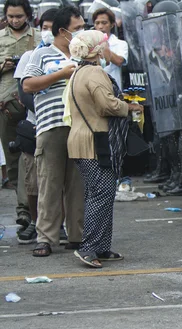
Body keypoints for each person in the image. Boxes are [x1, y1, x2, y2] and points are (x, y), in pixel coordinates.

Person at [66, 30, 143, 268]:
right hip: (94, 142)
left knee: (100, 194)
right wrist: (128, 106)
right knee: (101, 195)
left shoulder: (78, 71)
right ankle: (88, 248)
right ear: (98, 50)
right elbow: (106, 105)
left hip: (82, 139)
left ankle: (101, 247)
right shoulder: (95, 72)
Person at [22, 5, 85, 257]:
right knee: (50, 183)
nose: (82, 32)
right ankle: (46, 238)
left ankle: (77, 237)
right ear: (62, 30)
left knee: (77, 186)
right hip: (51, 126)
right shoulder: (41, 54)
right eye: (77, 28)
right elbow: (28, 85)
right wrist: (61, 73)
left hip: (80, 127)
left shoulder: (85, 54)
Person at [13, 7, 58, 245]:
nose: (47, 33)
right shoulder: (31, 56)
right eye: (44, 28)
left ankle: (57, 224)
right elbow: (24, 92)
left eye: (52, 28)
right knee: (33, 182)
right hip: (35, 125)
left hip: (59, 125)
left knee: (58, 180)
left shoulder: (67, 57)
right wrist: (43, 110)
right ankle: (34, 221)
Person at [0, 0, 40, 230]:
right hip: (6, 108)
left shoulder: (37, 37)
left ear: (28, 15)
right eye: (11, 16)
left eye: (19, 16)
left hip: (32, 107)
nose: (15, 20)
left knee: (34, 160)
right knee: (14, 162)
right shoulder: (1, 38)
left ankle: (36, 212)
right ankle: (23, 210)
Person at [91, 7, 127, 89]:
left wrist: (104, 46)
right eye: (97, 23)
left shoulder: (120, 44)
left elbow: (119, 61)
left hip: (113, 89)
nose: (100, 26)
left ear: (112, 24)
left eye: (104, 23)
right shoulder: (89, 43)